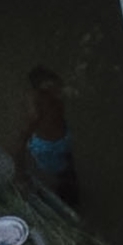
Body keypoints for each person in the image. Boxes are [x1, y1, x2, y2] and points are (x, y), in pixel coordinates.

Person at [19, 65, 78, 203]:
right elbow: (21, 140)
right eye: (51, 88)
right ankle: (67, 199)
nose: (57, 90)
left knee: (69, 168)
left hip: (62, 139)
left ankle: (69, 192)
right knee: (62, 177)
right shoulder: (36, 110)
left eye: (56, 85)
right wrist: (20, 173)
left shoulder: (56, 97)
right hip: (48, 148)